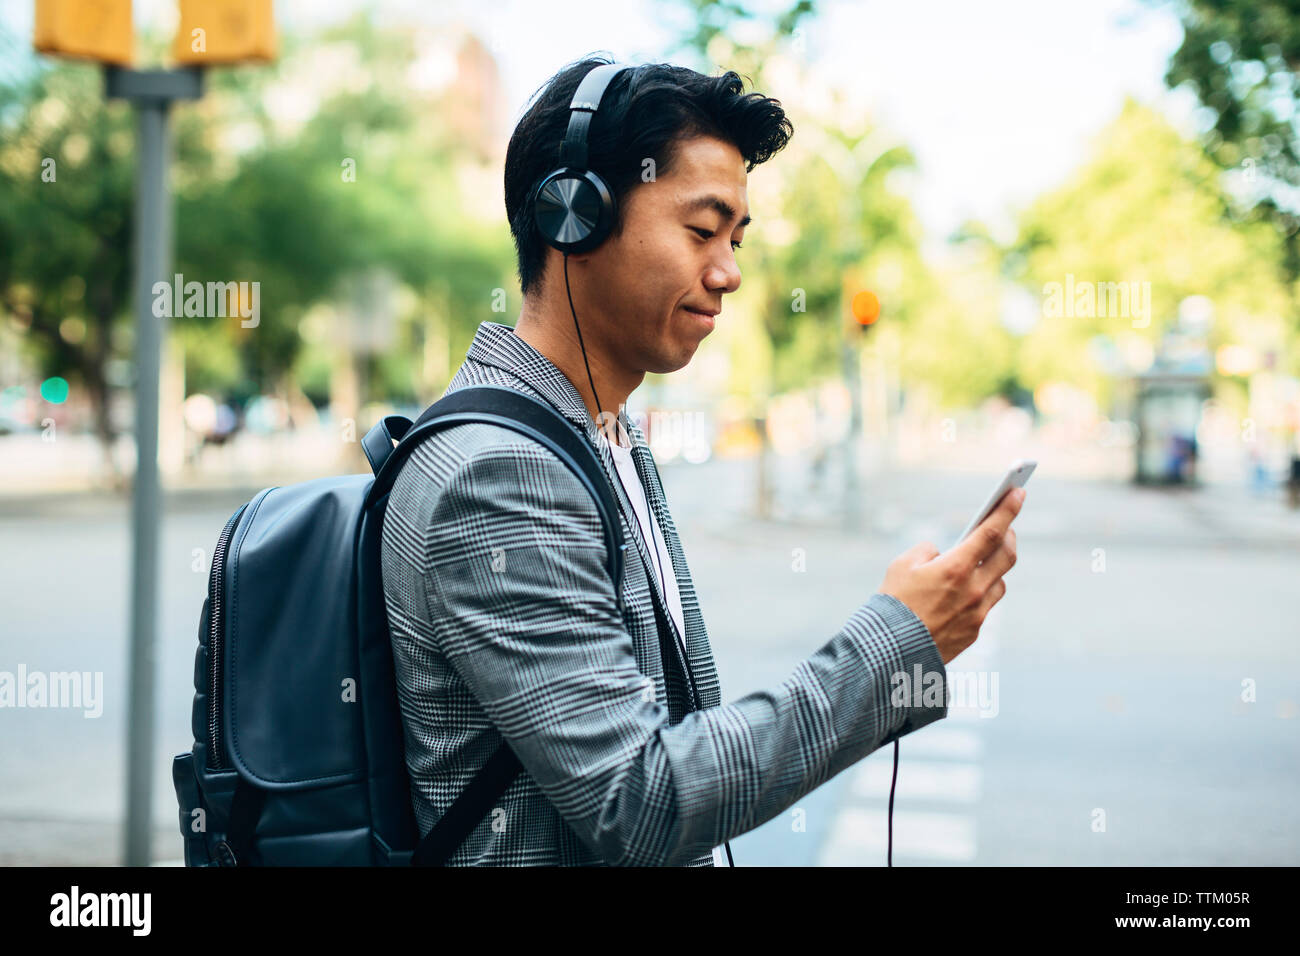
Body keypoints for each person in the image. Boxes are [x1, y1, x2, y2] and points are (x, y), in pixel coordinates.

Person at [379, 56, 1023, 866]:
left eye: (736, 237)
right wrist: (897, 646)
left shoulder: (605, 437)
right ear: (574, 215)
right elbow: (638, 802)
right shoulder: (501, 473)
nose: (729, 272)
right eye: (701, 229)